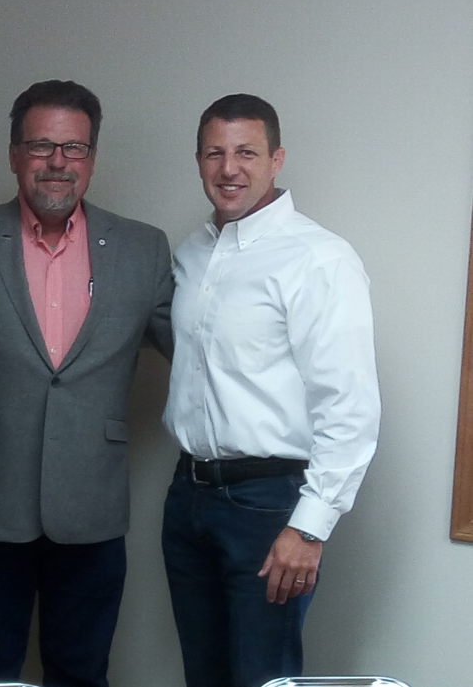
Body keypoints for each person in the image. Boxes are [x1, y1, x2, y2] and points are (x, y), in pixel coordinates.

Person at [0, 80, 173, 687]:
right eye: (41, 145)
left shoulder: (144, 248)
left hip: (92, 504)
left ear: (92, 157)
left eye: (75, 148)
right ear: (13, 154)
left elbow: (200, 350)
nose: (58, 162)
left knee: (83, 671)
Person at [161, 93, 381, 687]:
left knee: (263, 677)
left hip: (270, 506)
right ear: (199, 161)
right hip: (188, 498)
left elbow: (350, 407)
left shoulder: (319, 259)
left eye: (246, 152)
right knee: (202, 675)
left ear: (277, 159)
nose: (229, 168)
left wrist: (309, 527)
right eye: (214, 153)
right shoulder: (192, 253)